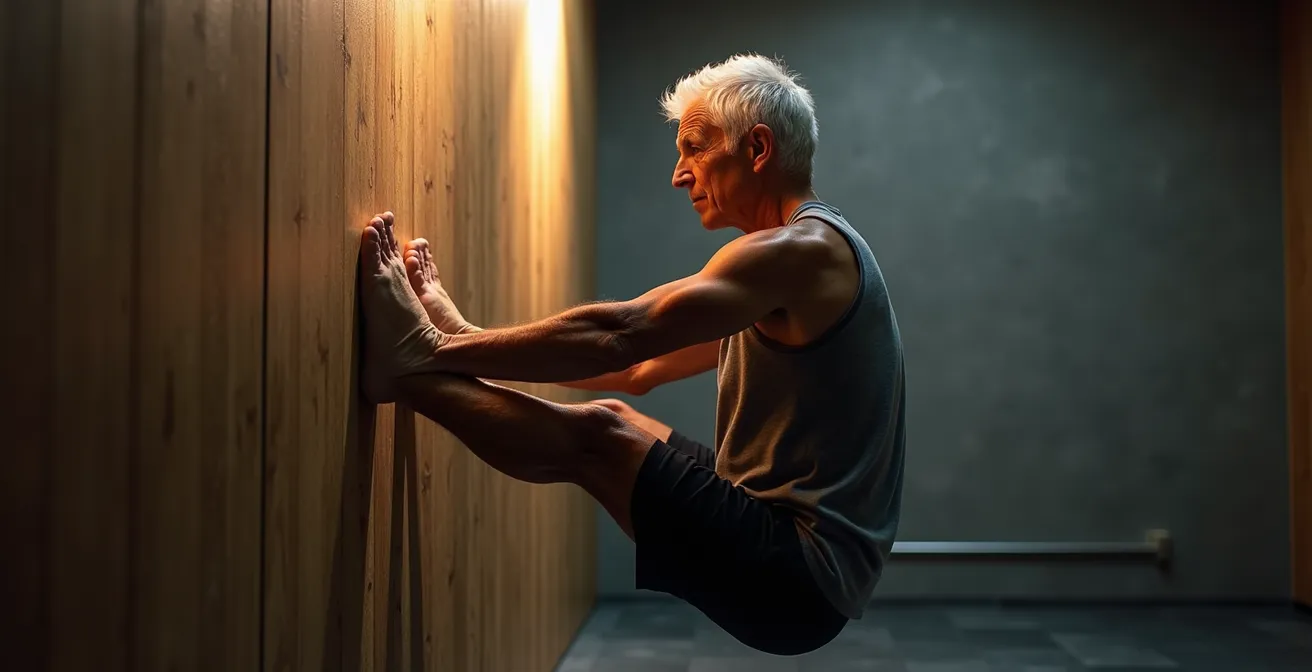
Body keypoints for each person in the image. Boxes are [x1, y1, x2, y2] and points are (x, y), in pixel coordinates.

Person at [357, 53, 906, 656]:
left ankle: (405, 368)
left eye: (695, 148)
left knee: (600, 436)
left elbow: (622, 332)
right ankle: (421, 357)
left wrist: (440, 348)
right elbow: (636, 369)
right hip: (795, 560)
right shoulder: (786, 266)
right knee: (619, 413)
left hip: (798, 575)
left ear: (757, 149)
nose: (679, 174)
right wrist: (467, 338)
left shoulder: (801, 251)